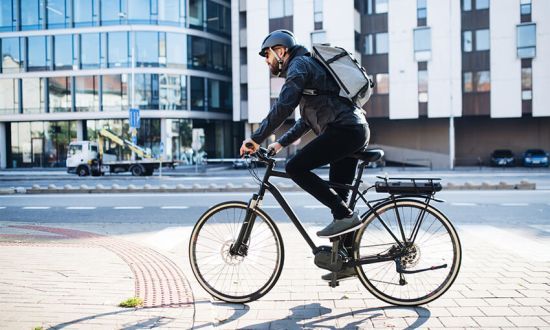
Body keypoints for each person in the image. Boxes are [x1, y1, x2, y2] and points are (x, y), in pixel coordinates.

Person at [240, 30, 370, 279]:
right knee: (340, 202)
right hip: (351, 130)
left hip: (345, 131)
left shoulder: (298, 65)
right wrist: (278, 144)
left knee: (295, 168)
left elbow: (284, 106)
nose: (267, 61)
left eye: (267, 55)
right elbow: (306, 120)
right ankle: (346, 263)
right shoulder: (308, 67)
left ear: (280, 51)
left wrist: (255, 139)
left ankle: (345, 217)